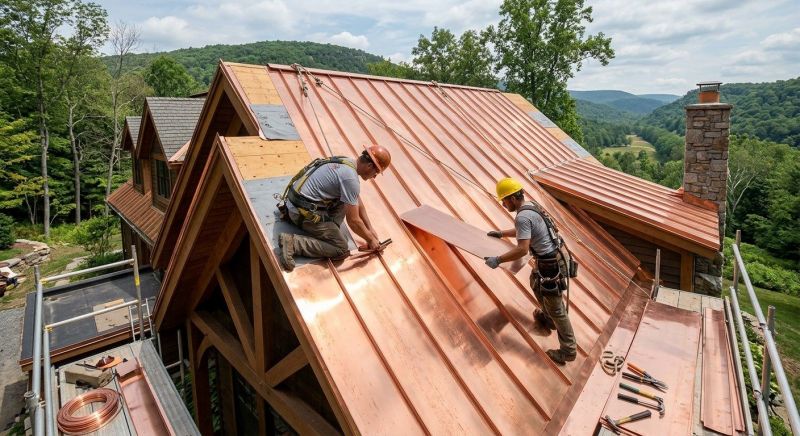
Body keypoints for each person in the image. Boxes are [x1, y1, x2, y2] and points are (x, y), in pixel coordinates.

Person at [484, 177, 577, 365]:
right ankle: (548, 319)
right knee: (535, 283)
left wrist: (498, 260)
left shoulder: (522, 217)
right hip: (554, 257)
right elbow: (525, 230)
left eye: (504, 200)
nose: (503, 204)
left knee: (557, 308)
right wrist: (502, 233)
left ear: (512, 198)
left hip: (550, 264)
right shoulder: (531, 207)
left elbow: (522, 249)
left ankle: (568, 351)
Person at [277, 145, 392, 271]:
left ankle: (329, 232)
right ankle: (293, 244)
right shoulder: (350, 179)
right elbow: (353, 222)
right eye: (376, 173)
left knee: (347, 201)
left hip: (294, 203)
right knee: (340, 248)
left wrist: (370, 229)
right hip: (300, 214)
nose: (374, 177)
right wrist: (370, 240)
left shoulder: (346, 162)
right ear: (369, 166)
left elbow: (355, 199)